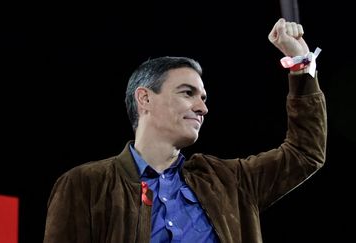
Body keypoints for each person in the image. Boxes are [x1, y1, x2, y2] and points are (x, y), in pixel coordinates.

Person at [43, 18, 327, 243]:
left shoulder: (229, 182)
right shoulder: (85, 185)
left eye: (203, 98)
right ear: (145, 99)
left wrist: (301, 65)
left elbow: (305, 153)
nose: (202, 108)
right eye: (187, 93)